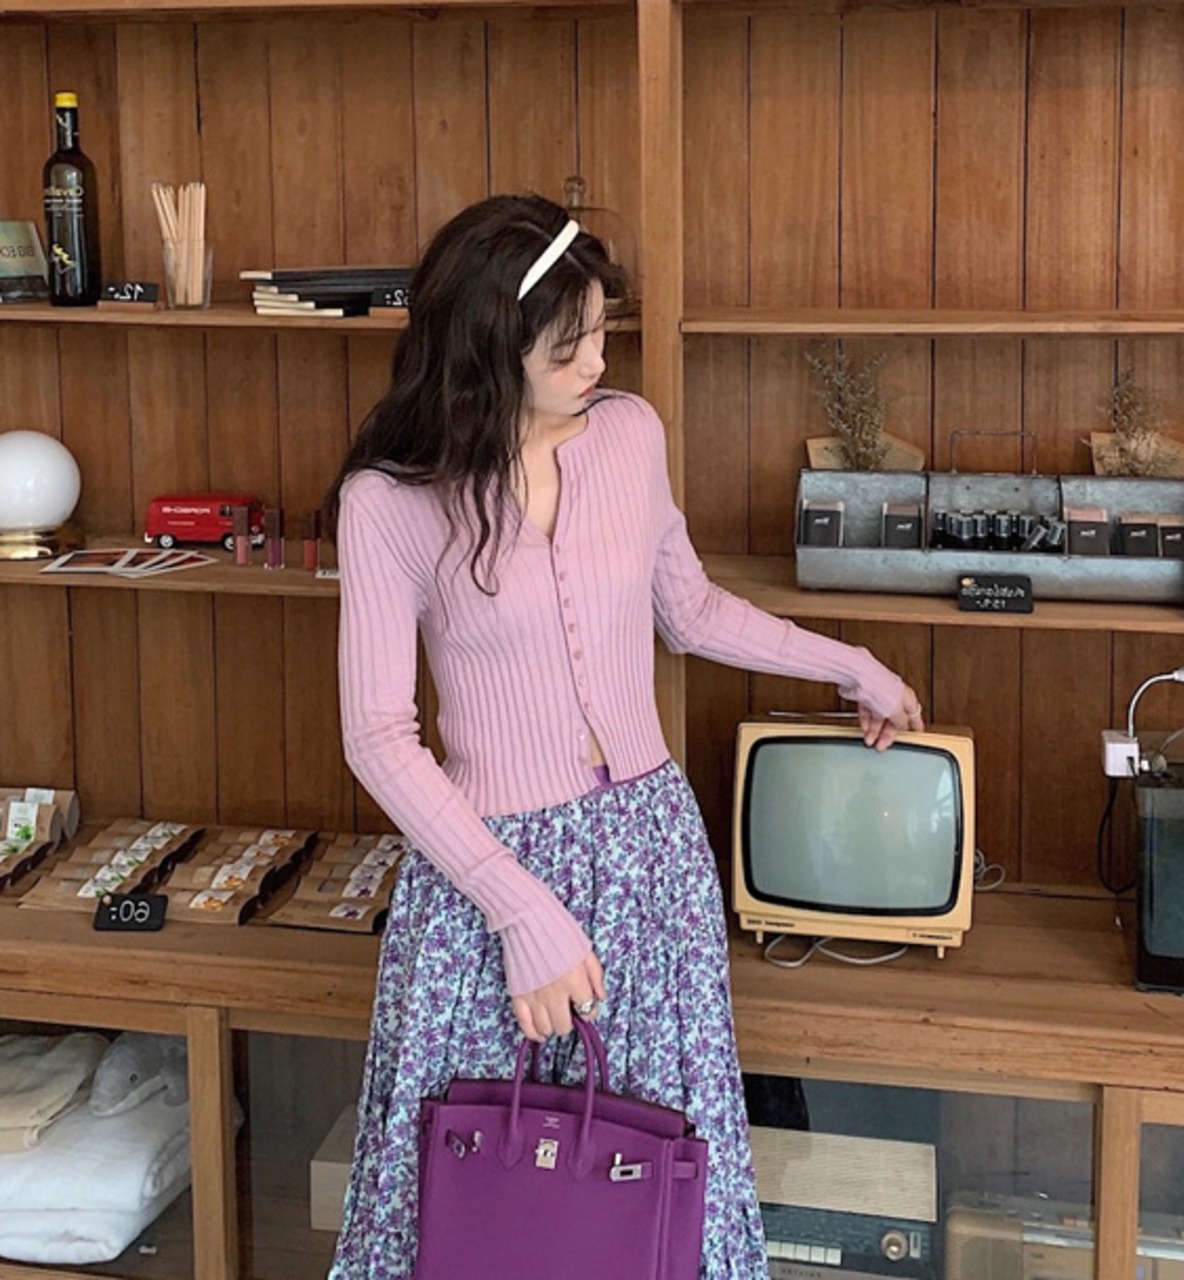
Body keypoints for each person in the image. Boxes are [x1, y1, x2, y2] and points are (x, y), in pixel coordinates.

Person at [325, 192, 925, 1280]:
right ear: (487, 348)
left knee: (649, 1187)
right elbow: (376, 734)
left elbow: (688, 612)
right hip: (483, 877)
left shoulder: (630, 435)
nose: (599, 361)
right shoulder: (391, 500)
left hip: (650, 859)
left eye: (603, 331)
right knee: (474, 1196)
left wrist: (852, 664)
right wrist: (520, 911)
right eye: (569, 346)